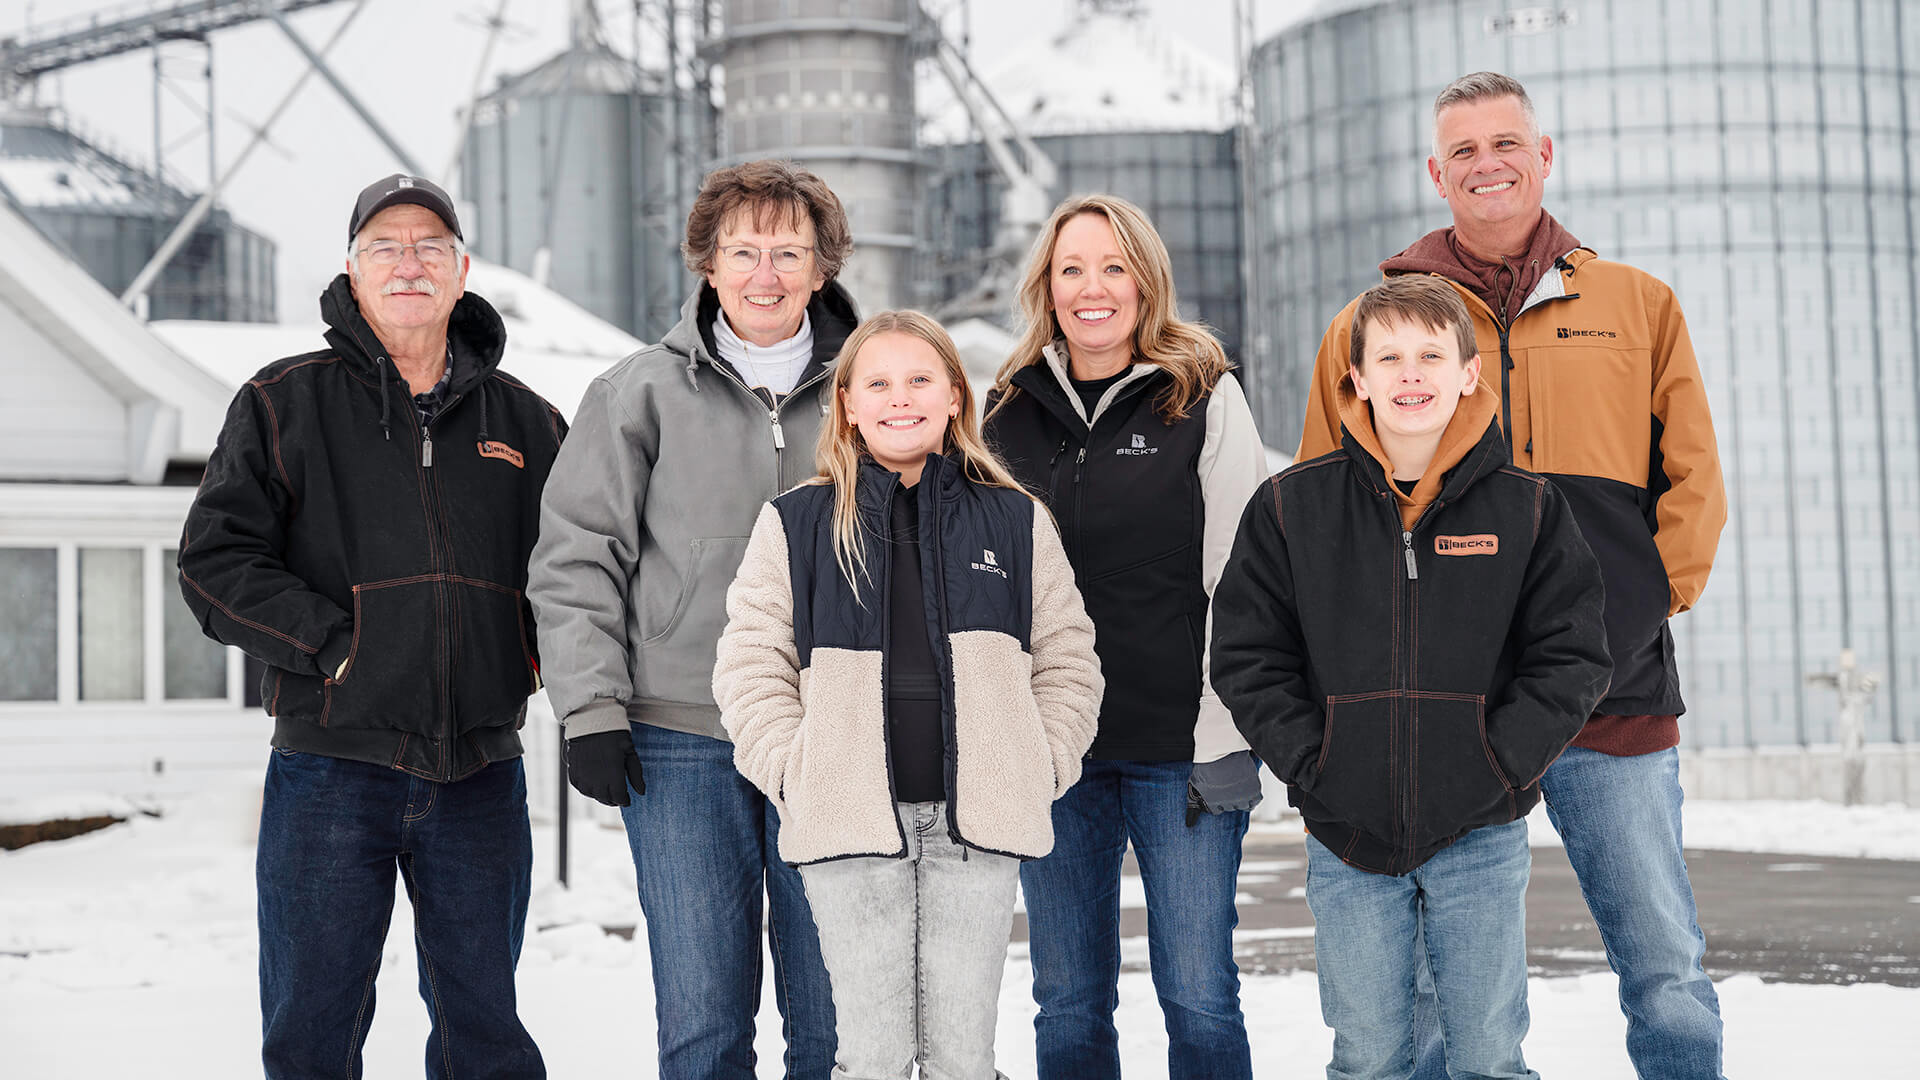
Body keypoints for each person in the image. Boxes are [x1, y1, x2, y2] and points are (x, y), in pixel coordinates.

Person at [1296, 72, 1731, 1079]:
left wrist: (1637, 612)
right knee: (1446, 992)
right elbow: (1327, 506)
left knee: (1664, 964)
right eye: (1464, 151)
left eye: (1506, 144)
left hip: (1611, 690)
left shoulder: (1637, 303)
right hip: (1443, 703)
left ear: (1544, 156)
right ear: (1435, 173)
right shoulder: (1376, 322)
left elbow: (1693, 483)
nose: (1486, 164)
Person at [177, 173, 561, 1078]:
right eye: (384, 246)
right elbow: (214, 562)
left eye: (430, 246)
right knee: (312, 1026)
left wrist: (533, 664)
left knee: (485, 1032)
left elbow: (576, 571)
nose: (409, 263)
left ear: (463, 270)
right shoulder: (284, 401)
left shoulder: (531, 422)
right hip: (329, 767)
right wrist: (334, 648)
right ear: (352, 273)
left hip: (480, 773)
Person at [1214, 275, 1612, 1079]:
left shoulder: (1527, 508)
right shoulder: (1292, 507)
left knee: (1491, 1057)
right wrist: (1319, 765)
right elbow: (1248, 655)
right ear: (1354, 377)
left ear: (1470, 371)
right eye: (1388, 356)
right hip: (1347, 837)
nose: (1410, 374)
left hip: (1481, 835)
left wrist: (1495, 765)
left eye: (1431, 354)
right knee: (1367, 1058)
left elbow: (1572, 656)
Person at [527, 159, 857, 1079]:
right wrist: (590, 711)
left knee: (836, 1028)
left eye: (789, 252)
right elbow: (576, 557)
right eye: (743, 251)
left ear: (822, 268)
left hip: (835, 741)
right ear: (707, 265)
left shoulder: (876, 388)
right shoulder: (639, 392)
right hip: (680, 740)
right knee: (704, 1026)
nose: (766, 274)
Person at [713, 309, 1104, 1080]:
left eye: (921, 379)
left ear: (956, 395)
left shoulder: (1015, 519)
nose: (902, 398)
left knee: (963, 1054)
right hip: (850, 828)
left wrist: (1041, 764)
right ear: (848, 403)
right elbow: (749, 663)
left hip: (978, 829)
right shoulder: (797, 524)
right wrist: (797, 772)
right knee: (873, 1056)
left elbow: (1067, 657)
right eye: (879, 382)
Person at [982, 193, 1269, 1079]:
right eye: (1072, 268)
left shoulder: (1205, 396)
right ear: (1047, 285)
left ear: (1146, 284)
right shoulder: (1003, 411)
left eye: (1113, 268)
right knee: (1067, 1002)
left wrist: (1229, 731)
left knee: (1200, 995)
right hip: (1055, 753)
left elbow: (1246, 576)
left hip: (1181, 749)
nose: (1092, 288)